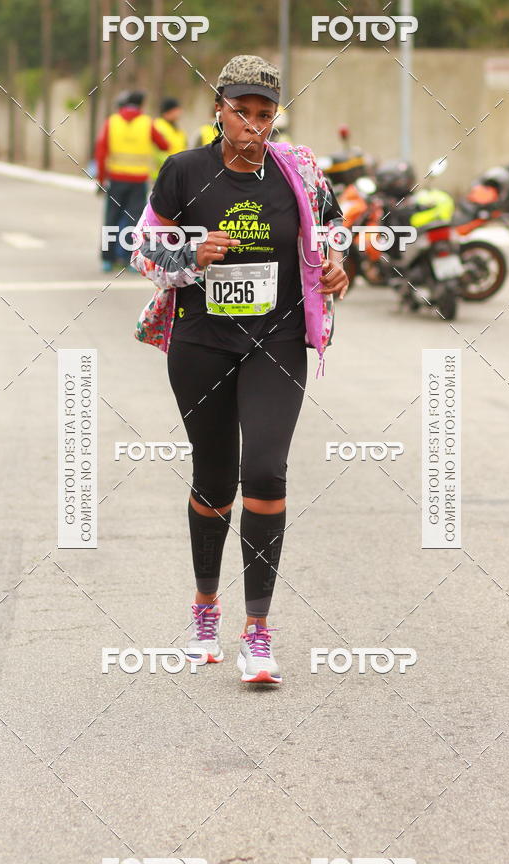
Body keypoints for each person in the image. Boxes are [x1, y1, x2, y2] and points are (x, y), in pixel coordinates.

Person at [130, 55, 348, 685]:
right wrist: (189, 251)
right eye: (241, 113)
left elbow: (333, 230)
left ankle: (258, 629)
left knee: (265, 468)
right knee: (215, 475)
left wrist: (337, 266)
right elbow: (144, 252)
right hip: (201, 341)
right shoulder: (184, 171)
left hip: (277, 340)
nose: (253, 125)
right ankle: (205, 607)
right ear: (218, 109)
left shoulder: (300, 171)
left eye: (264, 114)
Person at [95, 90, 169, 272]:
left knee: (111, 219)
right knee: (133, 220)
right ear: (141, 105)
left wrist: (101, 179)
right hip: (138, 180)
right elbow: (163, 144)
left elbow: (101, 152)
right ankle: (128, 258)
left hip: (116, 179)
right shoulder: (147, 123)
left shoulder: (111, 122)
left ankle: (107, 260)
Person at [151, 97, 188, 179]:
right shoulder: (158, 126)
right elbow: (157, 152)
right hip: (161, 174)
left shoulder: (177, 129)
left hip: (175, 173)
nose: (180, 112)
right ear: (168, 111)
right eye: (177, 110)